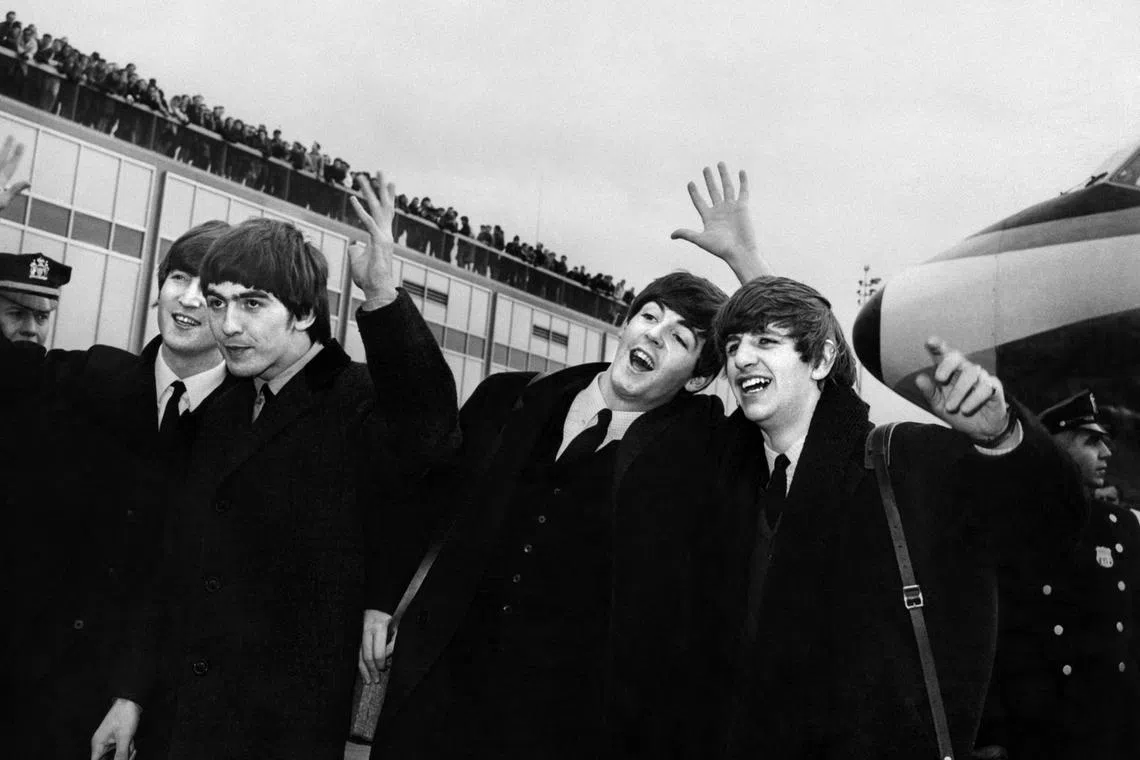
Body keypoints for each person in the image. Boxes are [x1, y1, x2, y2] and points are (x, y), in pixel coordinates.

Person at [369, 166, 770, 760]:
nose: (656, 335)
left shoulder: (709, 452)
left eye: (682, 339)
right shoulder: (512, 399)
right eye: (650, 315)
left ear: (701, 378)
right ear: (626, 321)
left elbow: (806, 389)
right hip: (446, 698)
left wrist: (748, 265)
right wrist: (381, 598)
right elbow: (424, 487)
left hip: (576, 722)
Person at [91, 173, 459, 760]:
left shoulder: (357, 401)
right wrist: (131, 696)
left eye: (253, 304)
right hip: (177, 723)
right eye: (218, 303)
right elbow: (174, 566)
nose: (228, 325)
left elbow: (432, 437)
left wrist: (383, 297)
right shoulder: (219, 407)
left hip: (279, 731)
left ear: (306, 314)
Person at [702, 275, 1086, 759]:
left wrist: (1002, 438)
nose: (740, 358)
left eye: (765, 341)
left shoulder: (905, 460)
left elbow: (1054, 522)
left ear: (820, 360)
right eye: (733, 345)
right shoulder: (726, 480)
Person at [1, 222, 235, 760]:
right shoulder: (91, 377)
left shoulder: (247, 430)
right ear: (159, 287)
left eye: (213, 289)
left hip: (152, 712)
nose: (191, 297)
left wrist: (134, 691)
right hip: (32, 687)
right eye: (179, 276)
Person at [978, 390, 1140, 759]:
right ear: (1056, 448)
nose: (1106, 454)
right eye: (1092, 441)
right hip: (1042, 733)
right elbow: (991, 640)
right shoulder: (1011, 529)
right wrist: (992, 731)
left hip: (1115, 729)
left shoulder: (1120, 527)